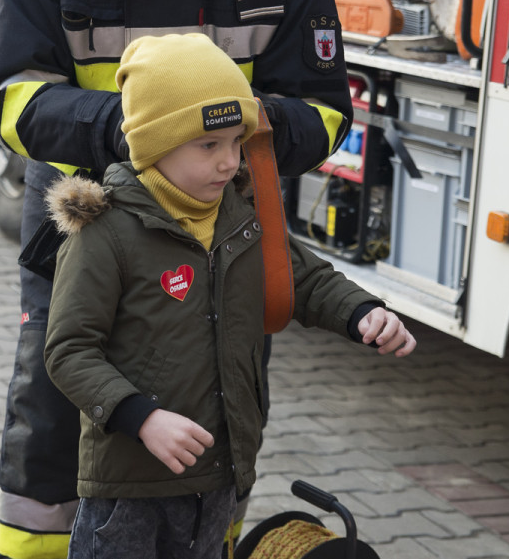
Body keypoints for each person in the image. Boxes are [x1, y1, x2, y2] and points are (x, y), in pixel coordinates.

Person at [0, 0, 358, 554]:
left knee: (215, 418)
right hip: (87, 227)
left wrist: (237, 123)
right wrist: (127, 129)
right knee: (53, 407)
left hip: (222, 235)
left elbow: (326, 114)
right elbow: (7, 97)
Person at [41, 33, 415, 559]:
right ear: (154, 143)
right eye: (208, 145)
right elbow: (68, 350)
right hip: (131, 485)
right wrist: (141, 417)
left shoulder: (241, 216)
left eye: (237, 142)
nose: (228, 162)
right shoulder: (105, 233)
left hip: (219, 474)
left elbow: (303, 279)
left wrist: (363, 312)